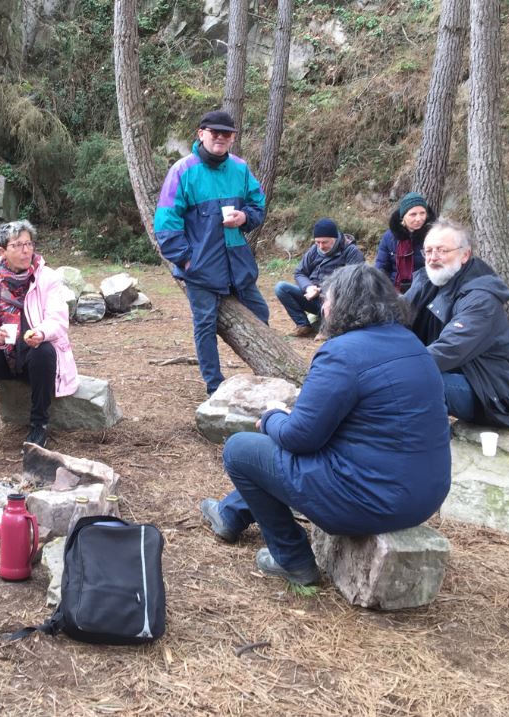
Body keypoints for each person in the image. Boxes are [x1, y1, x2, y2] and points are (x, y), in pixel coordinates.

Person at [200, 264, 451, 585]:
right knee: (290, 449)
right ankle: (231, 513)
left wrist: (274, 416)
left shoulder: (341, 352)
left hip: (372, 500)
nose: (324, 307)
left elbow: (299, 438)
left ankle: (292, 558)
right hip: (423, 497)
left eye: (328, 299)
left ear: (343, 305)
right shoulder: (412, 344)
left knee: (242, 449)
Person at [154, 110, 268, 395]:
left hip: (237, 263)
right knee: (205, 325)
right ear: (200, 133)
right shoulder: (183, 170)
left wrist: (245, 218)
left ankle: (265, 375)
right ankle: (214, 386)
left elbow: (258, 204)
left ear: (232, 138)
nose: (219, 137)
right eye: (213, 131)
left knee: (261, 313)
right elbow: (166, 222)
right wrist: (186, 259)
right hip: (202, 268)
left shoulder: (240, 169)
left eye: (226, 133)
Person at [404, 219, 509, 427]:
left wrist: (395, 365)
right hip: (451, 375)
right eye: (428, 251)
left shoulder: (481, 296)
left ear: (465, 255)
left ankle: (425, 445)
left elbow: (450, 349)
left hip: (487, 390)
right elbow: (394, 317)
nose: (433, 257)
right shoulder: (427, 281)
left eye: (442, 250)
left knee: (413, 379)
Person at [0, 220, 78, 454]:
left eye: (28, 244)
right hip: (3, 354)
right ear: (2, 251)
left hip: (32, 355)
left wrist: (41, 332)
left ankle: (39, 426)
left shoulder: (47, 278)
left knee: (45, 351)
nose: (25, 250)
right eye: (17, 245)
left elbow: (58, 319)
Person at [274, 218, 365, 337]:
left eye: (325, 242)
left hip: (337, 302)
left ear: (335, 238)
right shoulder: (314, 250)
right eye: (318, 242)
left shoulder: (352, 252)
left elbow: (352, 284)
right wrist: (309, 287)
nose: (321, 246)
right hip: (314, 298)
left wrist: (322, 291)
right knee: (281, 288)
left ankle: (328, 328)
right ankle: (303, 325)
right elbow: (299, 272)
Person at [375, 191, 436, 293]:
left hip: (426, 291)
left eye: (422, 213)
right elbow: (381, 268)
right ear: (403, 216)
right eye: (413, 214)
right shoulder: (389, 237)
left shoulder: (434, 235)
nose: (419, 219)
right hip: (395, 292)